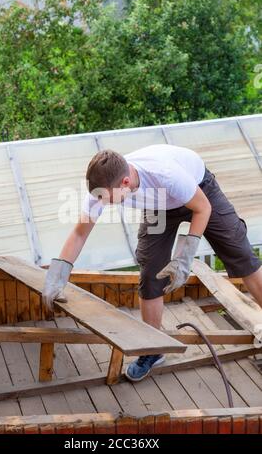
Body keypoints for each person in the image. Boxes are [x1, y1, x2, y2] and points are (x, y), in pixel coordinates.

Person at [42, 144, 262, 382]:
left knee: (241, 256)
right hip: (158, 204)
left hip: (200, 192)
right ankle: (153, 348)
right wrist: (58, 273)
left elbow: (202, 208)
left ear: (125, 182)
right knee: (150, 271)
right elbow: (79, 234)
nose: (103, 204)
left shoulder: (165, 173)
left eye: (108, 199)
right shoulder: (101, 189)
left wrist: (183, 258)